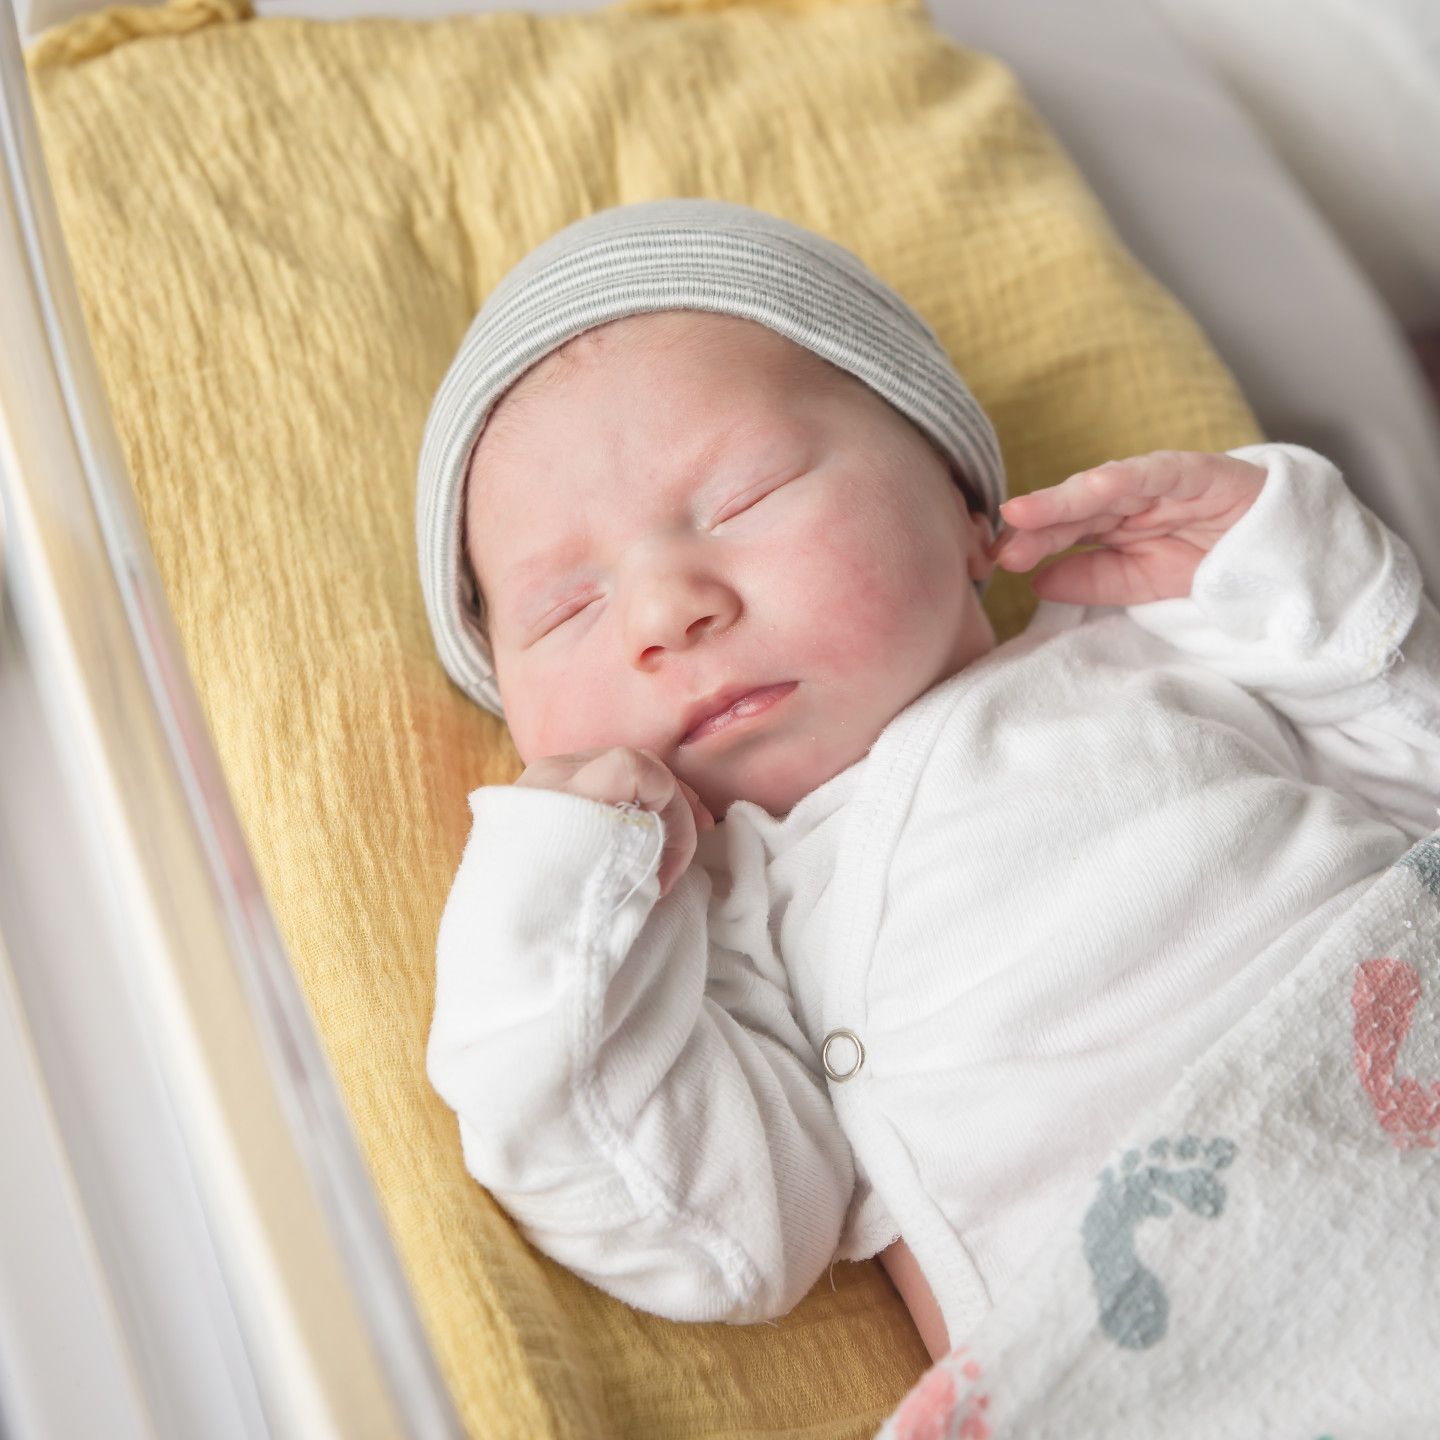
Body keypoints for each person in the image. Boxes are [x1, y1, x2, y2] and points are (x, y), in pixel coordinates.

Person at [416, 199, 1440, 1362]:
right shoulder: (710, 939)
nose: (666, 611)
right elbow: (709, 1234)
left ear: (963, 506)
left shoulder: (1153, 651)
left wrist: (1290, 575)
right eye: (569, 608)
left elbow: (1415, 770)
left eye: (744, 499)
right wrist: (553, 897)